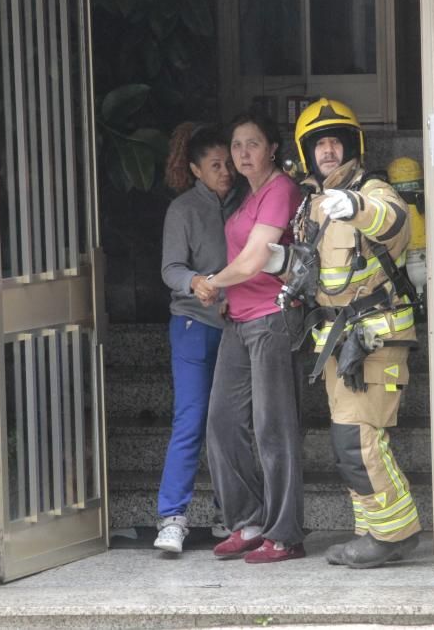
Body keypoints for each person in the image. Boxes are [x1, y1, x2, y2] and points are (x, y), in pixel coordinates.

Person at [265, 98, 421, 569]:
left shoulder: (373, 191)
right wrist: (285, 265)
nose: (328, 151)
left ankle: (393, 535)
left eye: (335, 141)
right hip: (338, 342)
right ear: (307, 153)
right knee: (354, 440)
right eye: (319, 144)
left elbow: (393, 221)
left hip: (374, 337)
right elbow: (322, 271)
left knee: (357, 440)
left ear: (352, 145)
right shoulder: (313, 205)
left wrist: (356, 205)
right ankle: (369, 530)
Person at [197, 110, 306, 564]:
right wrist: (224, 293)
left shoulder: (280, 189)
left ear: (273, 148)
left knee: (272, 428)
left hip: (273, 319)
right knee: (222, 424)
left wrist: (212, 281)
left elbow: (256, 259)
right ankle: (249, 522)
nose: (242, 152)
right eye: (237, 145)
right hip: (240, 320)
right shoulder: (247, 195)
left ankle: (284, 534)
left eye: (253, 144)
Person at [155, 122, 244, 553]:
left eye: (228, 163)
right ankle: (173, 517)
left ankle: (231, 513)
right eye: (215, 165)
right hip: (193, 325)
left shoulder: (248, 201)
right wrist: (195, 282)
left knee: (231, 424)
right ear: (195, 170)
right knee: (191, 420)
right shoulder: (183, 210)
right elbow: (170, 268)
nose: (225, 171)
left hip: (240, 323)